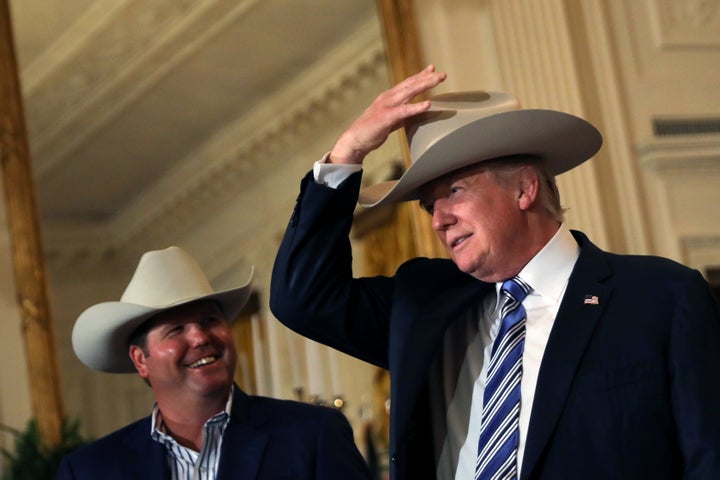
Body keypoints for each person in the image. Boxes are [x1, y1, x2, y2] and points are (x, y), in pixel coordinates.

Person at [269, 65, 720, 480]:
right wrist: (347, 153)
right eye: (430, 205)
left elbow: (708, 456)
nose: (437, 220)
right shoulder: (424, 306)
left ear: (525, 188)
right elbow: (301, 298)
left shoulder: (660, 296)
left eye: (455, 191)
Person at [58, 246, 371, 480]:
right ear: (141, 360)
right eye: (176, 329)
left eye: (210, 320)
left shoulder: (311, 435)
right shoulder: (90, 471)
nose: (199, 337)